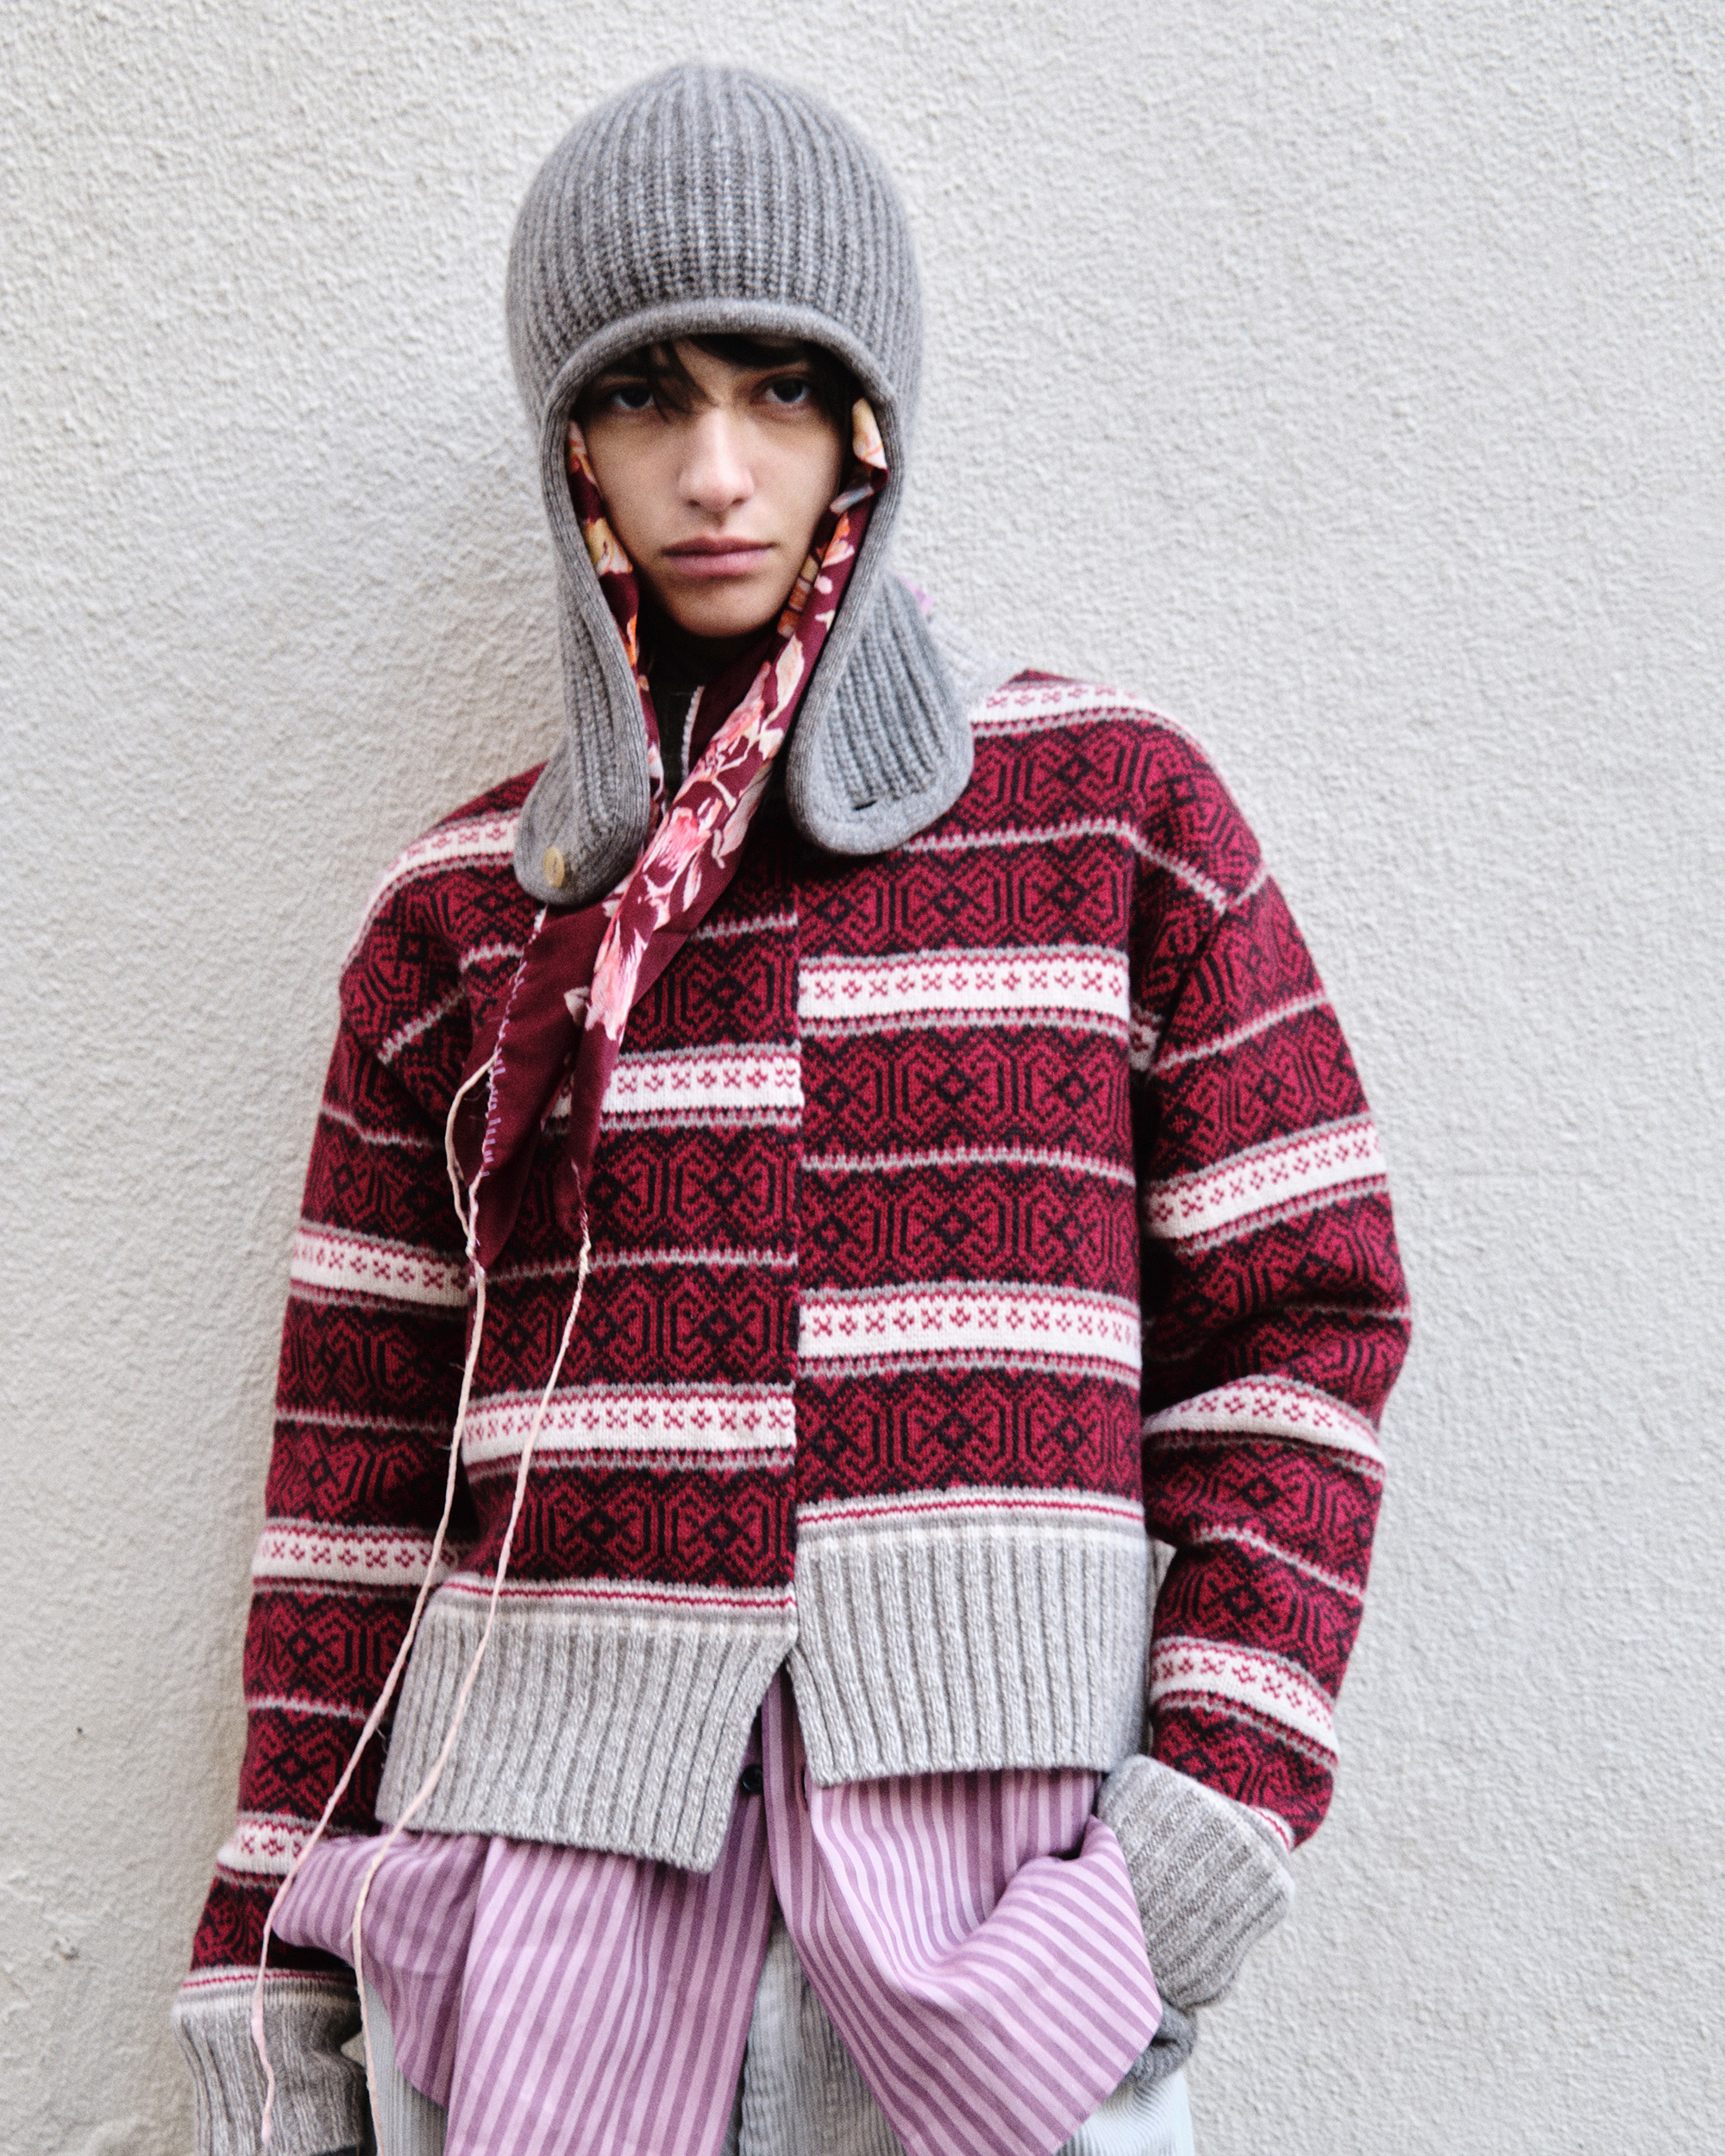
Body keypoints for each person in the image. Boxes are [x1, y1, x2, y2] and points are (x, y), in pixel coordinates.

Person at [172, 63, 1409, 2156]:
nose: (716, 468)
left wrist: (1181, 1859)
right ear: (570, 439)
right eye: (646, 394)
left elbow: (1310, 1326)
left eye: (781, 386)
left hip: (1004, 1946)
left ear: (871, 419)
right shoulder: (462, 920)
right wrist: (267, 2012)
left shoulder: (1116, 822)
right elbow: (349, 1497)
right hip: (531, 1953)